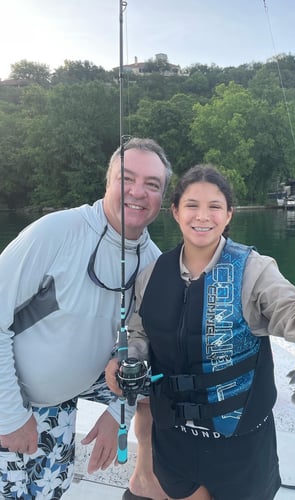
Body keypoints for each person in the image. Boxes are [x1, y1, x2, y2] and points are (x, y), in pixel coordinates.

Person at [106, 164, 295, 500]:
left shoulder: (256, 271)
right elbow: (139, 334)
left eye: (215, 206)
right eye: (192, 205)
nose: (203, 216)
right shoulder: (151, 275)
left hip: (240, 445)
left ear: (229, 214)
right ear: (175, 212)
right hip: (174, 440)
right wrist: (127, 360)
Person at [0, 137, 171, 499]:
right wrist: (11, 417)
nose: (138, 192)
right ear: (107, 182)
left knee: (170, 379)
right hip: (9, 393)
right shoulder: (56, 232)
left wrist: (117, 412)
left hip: (66, 398)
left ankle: (146, 482)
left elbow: (144, 354)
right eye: (127, 178)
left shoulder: (155, 264)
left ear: (162, 199)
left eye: (152, 184)